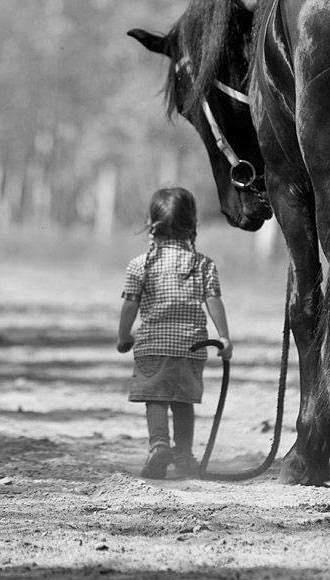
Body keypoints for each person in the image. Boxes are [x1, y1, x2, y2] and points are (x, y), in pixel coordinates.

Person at [117, 187, 233, 479]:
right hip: (191, 347)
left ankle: (158, 446)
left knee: (154, 396)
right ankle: (183, 454)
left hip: (152, 346)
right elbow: (213, 301)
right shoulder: (203, 264)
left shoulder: (139, 265)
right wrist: (224, 336)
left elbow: (130, 304)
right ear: (191, 224)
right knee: (183, 401)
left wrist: (123, 336)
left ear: (151, 223)